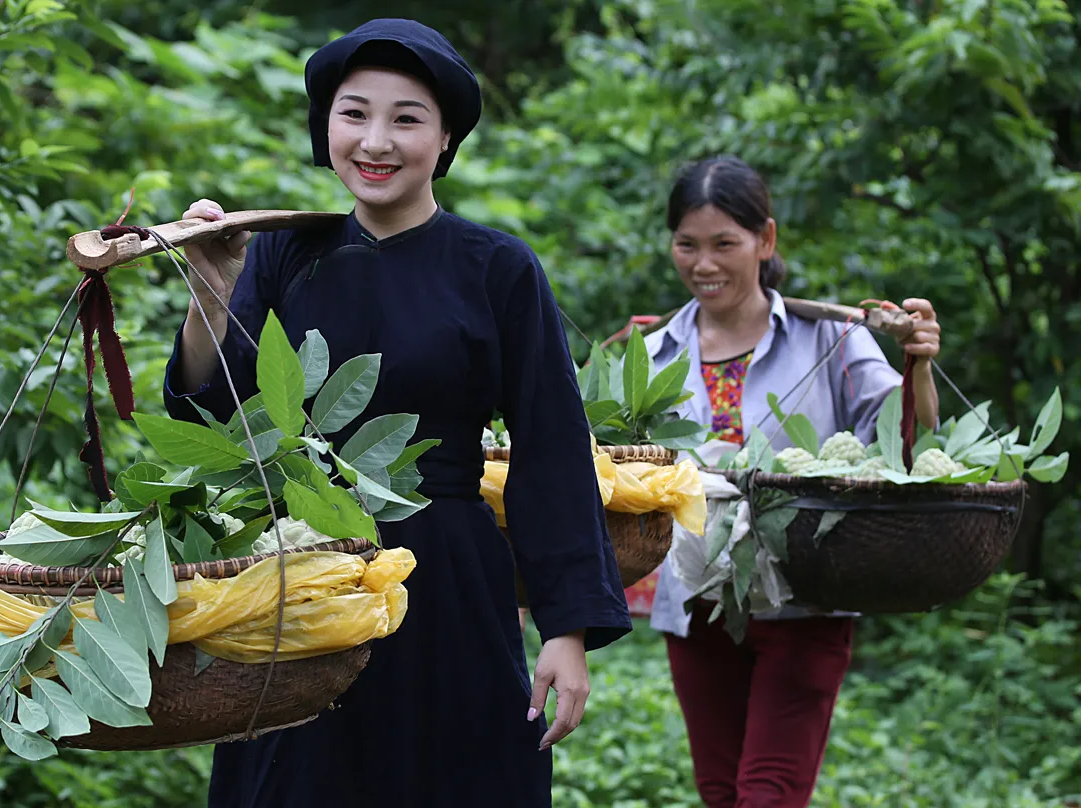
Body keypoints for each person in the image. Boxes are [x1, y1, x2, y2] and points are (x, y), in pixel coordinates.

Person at [162, 18, 631, 808]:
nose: (375, 140)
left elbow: (551, 452)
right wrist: (211, 292)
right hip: (301, 579)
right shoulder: (280, 254)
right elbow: (223, 428)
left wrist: (567, 630)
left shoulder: (498, 269)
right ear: (326, 126)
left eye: (406, 118)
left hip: (445, 583)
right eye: (354, 113)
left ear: (445, 137)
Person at [643, 155, 941, 807]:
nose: (704, 264)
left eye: (725, 243)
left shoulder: (829, 337)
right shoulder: (653, 354)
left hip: (807, 590)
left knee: (770, 794)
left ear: (765, 241)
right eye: (686, 245)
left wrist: (917, 362)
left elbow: (907, 447)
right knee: (721, 793)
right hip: (699, 601)